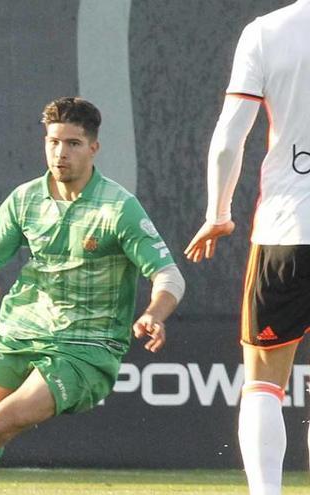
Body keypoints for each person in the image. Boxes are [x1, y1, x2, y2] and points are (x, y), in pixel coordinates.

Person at [0, 97, 185, 495]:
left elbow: (170, 276)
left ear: (93, 148)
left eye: (73, 144)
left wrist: (156, 313)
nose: (60, 153)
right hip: (21, 332)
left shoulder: (118, 208)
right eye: (53, 141)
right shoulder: (25, 199)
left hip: (86, 348)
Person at [185, 2, 310, 493]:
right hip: (286, 222)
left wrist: (218, 212)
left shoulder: (267, 32)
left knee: (263, 383)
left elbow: (228, 139)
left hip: (286, 229)